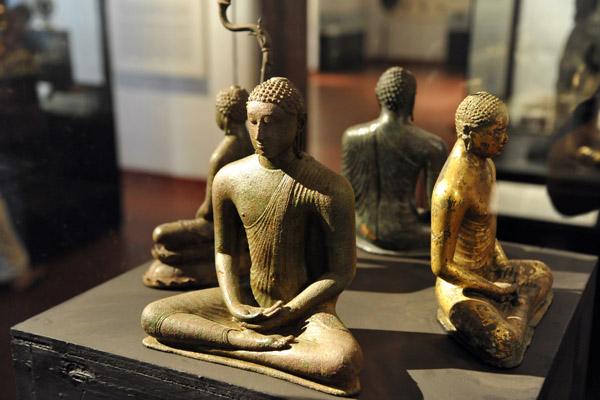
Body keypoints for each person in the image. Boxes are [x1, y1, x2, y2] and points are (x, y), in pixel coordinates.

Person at [141, 77, 363, 395]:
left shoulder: (328, 188)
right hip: (247, 302)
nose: (260, 134)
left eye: (271, 123)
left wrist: (289, 311)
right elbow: (225, 251)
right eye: (253, 122)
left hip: (304, 312)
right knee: (154, 315)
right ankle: (246, 344)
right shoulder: (229, 178)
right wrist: (234, 305)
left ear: (299, 123)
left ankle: (234, 345)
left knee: (342, 362)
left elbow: (340, 272)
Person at [431, 92, 553, 368]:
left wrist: (501, 263)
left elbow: (486, 227)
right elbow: (441, 266)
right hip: (461, 286)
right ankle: (516, 311)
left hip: (490, 270)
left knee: (542, 272)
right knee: (503, 343)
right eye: (497, 133)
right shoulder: (449, 191)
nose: (505, 140)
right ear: (468, 132)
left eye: (505, 131)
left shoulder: (487, 166)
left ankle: (514, 310)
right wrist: (493, 290)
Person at [143, 85, 254, 288]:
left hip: (219, 225)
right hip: (243, 225)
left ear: (223, 115)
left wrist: (199, 218)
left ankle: (208, 252)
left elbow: (209, 211)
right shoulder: (252, 145)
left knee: (161, 234)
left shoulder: (222, 155)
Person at [342, 67, 447, 255]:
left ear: (378, 97)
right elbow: (436, 211)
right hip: (404, 234)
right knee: (452, 236)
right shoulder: (432, 145)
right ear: (412, 99)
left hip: (361, 229)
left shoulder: (351, 136)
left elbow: (349, 197)